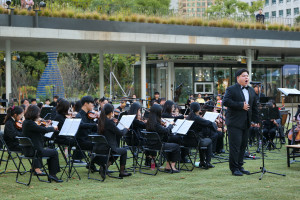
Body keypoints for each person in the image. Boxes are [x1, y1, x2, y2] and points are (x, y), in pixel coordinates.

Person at [223, 69, 259, 176]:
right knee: (235, 146)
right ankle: (234, 168)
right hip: (234, 123)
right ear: (238, 77)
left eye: (247, 76)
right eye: (244, 76)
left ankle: (239, 165)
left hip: (246, 122)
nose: (246, 78)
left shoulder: (251, 90)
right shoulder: (231, 89)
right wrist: (240, 105)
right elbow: (226, 101)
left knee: (243, 146)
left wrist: (256, 120)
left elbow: (254, 107)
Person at [22, 105, 62, 182]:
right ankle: (52, 175)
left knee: (51, 151)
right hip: (35, 151)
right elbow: (43, 130)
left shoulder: (26, 122)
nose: (39, 115)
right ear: (34, 113)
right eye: (38, 113)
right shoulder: (30, 124)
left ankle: (52, 174)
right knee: (54, 152)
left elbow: (39, 129)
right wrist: (52, 128)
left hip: (29, 150)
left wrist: (46, 123)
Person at [98, 103, 132, 177]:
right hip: (109, 148)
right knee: (124, 151)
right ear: (111, 112)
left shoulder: (101, 120)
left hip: (101, 147)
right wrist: (126, 129)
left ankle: (104, 167)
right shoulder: (109, 122)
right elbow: (120, 133)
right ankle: (122, 172)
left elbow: (110, 130)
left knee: (117, 152)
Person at [146, 104, 180, 172]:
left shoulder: (149, 122)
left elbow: (160, 130)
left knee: (170, 146)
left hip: (149, 145)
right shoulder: (156, 124)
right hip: (158, 145)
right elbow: (166, 131)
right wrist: (170, 125)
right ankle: (172, 167)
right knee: (176, 146)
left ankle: (168, 166)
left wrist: (163, 126)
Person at [186, 102, 215, 168]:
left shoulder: (188, 117)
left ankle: (202, 161)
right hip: (195, 141)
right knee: (209, 141)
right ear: (198, 109)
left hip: (186, 141)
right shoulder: (197, 118)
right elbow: (209, 123)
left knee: (203, 139)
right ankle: (207, 162)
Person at [75, 96, 99, 171]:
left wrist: (98, 120)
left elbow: (94, 128)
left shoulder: (89, 115)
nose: (93, 105)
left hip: (89, 139)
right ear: (85, 104)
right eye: (92, 103)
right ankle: (96, 165)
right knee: (100, 146)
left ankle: (92, 164)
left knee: (104, 143)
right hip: (82, 141)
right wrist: (94, 125)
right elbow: (81, 125)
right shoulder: (78, 115)